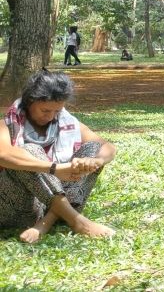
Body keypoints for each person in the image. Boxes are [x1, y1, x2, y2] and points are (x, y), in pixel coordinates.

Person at [0, 69, 116, 243]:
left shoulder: (67, 123)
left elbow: (108, 146)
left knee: (92, 150)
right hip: (18, 207)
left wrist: (95, 161)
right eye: (45, 110)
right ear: (30, 101)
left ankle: (45, 223)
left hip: (52, 207)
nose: (51, 116)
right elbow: (3, 155)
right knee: (29, 152)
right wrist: (55, 169)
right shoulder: (7, 125)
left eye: (56, 111)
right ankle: (77, 221)